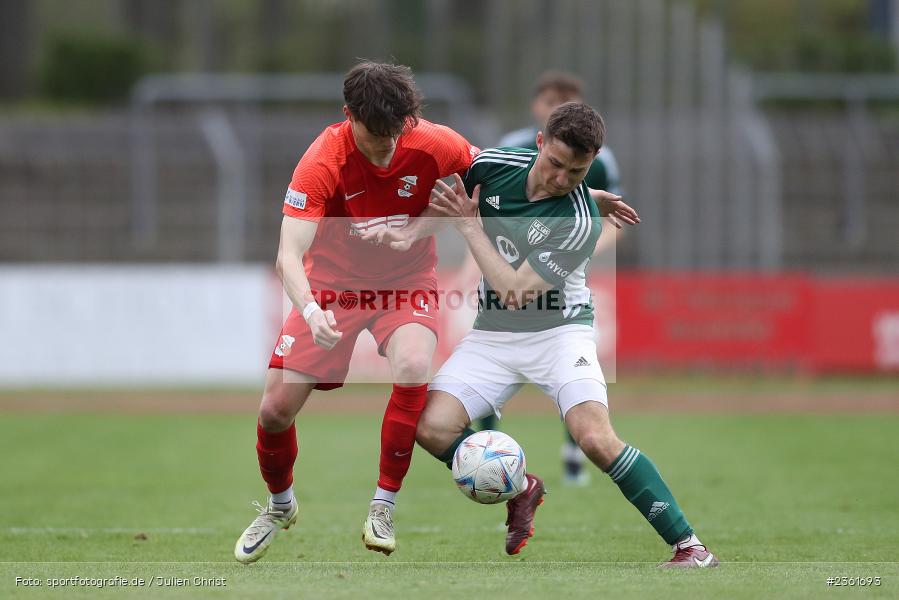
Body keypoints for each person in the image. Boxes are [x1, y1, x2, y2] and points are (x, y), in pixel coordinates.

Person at [417, 102, 718, 567]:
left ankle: (690, 547)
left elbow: (515, 291)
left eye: (577, 173)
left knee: (594, 439)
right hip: (493, 338)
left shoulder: (580, 223)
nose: (561, 180)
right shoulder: (494, 166)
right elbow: (445, 178)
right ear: (539, 143)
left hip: (560, 334)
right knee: (430, 428)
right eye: (555, 164)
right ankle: (521, 488)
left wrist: (470, 228)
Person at [234, 61, 478, 563]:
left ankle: (383, 504)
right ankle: (280, 505)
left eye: (397, 131)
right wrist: (310, 309)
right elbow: (288, 255)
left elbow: (486, 183)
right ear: (349, 116)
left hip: (406, 283)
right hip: (331, 289)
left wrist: (415, 231)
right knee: (274, 411)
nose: (388, 145)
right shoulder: (323, 159)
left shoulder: (434, 141)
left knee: (414, 365)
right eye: (376, 134)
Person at [480, 70, 623, 486]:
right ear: (537, 111)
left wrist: (578, 248)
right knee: (492, 357)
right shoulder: (508, 149)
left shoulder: (600, 159)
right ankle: (489, 442)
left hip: (563, 273)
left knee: (573, 363)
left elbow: (615, 216)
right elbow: (479, 209)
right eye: (550, 104)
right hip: (505, 270)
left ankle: (573, 450)